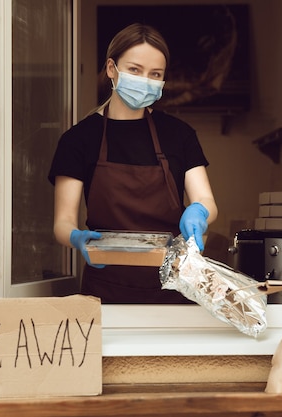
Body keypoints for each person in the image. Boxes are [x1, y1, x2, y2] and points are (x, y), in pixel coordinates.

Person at [48, 23, 218, 304]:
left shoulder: (179, 134)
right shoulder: (78, 139)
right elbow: (62, 223)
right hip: (106, 288)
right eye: (135, 70)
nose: (145, 80)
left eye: (155, 74)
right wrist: (77, 237)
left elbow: (206, 200)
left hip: (175, 283)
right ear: (112, 69)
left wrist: (199, 213)